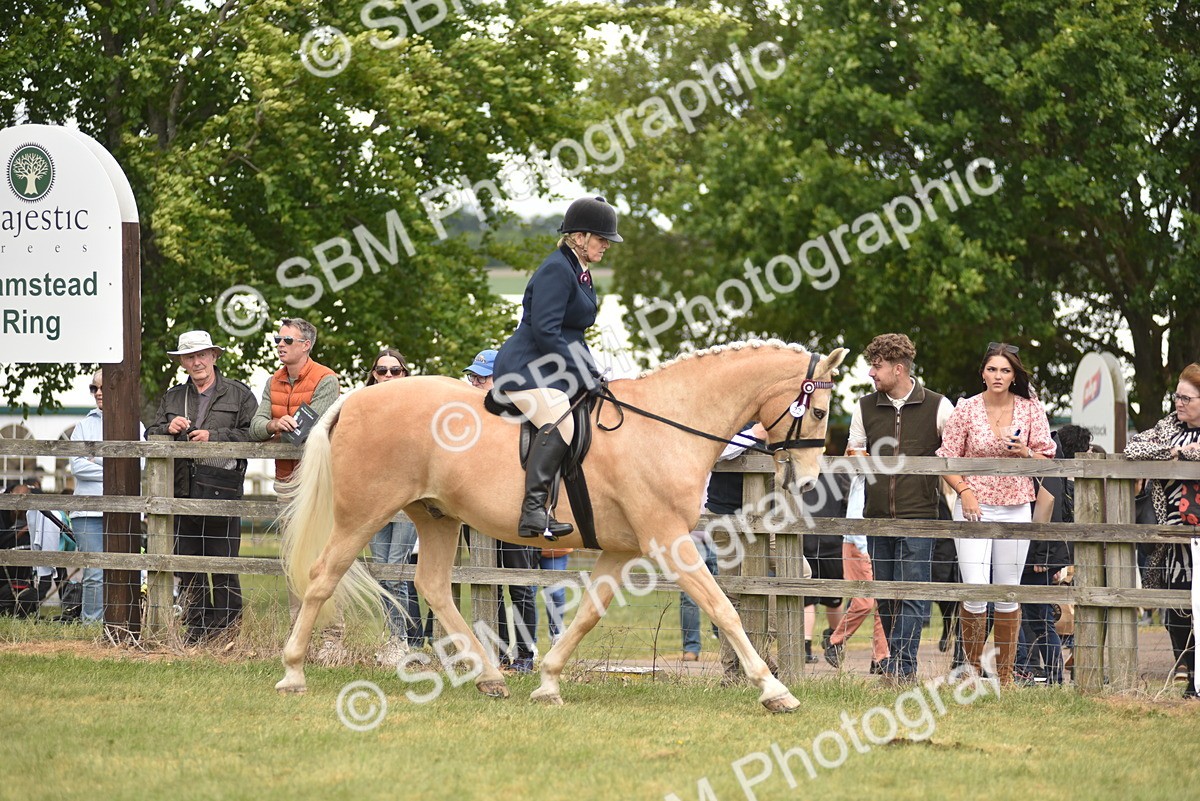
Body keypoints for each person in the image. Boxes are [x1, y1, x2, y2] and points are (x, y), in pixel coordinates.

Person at [491, 195, 619, 539]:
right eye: (601, 238)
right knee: (561, 421)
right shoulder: (556, 270)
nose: (606, 245)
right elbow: (547, 332)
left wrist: (592, 373)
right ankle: (533, 511)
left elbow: (572, 334)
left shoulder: (580, 272)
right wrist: (580, 374)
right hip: (526, 368)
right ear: (579, 237)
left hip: (551, 367)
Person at [938, 341, 1056, 685]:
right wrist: (964, 491)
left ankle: (1004, 676)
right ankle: (972, 673)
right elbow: (946, 458)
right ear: (983, 373)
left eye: (1005, 370)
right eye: (992, 369)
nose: (998, 375)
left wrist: (1026, 453)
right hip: (973, 506)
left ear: (1014, 375)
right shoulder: (966, 409)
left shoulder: (1031, 409)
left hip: (1016, 505)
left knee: (1008, 591)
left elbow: (1048, 457)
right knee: (975, 588)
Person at [850, 333, 954, 682]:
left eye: (877, 366)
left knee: (912, 594)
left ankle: (903, 667)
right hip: (877, 517)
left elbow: (954, 454)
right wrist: (862, 458)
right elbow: (855, 447)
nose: (871, 373)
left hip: (920, 517)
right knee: (885, 595)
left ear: (898, 369)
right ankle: (896, 661)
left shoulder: (939, 406)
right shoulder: (864, 406)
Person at [146, 331, 258, 643]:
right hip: (181, 491)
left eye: (202, 355)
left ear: (214, 356)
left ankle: (226, 633)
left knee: (223, 566)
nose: (197, 362)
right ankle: (196, 631)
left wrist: (214, 437)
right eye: (190, 357)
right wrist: (168, 429)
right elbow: (151, 432)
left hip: (223, 490)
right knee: (187, 566)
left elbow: (254, 435)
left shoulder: (239, 394)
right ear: (182, 362)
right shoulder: (173, 397)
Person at [1125, 363, 1200, 698]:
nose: (1179, 404)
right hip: (1172, 532)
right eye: (1177, 397)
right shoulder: (1168, 427)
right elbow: (1133, 448)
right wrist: (1175, 452)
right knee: (1177, 602)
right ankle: (1187, 669)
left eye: (1186, 398)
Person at [466, 348, 539, 672]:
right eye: (473, 377)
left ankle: (524, 655)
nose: (475, 382)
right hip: (477, 513)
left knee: (520, 585)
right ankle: (496, 653)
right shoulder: (467, 418)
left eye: (482, 378)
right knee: (487, 584)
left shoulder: (523, 415)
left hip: (514, 512)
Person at [1015, 424, 1090, 685]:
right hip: (1031, 548)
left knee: (1037, 617)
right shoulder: (1047, 451)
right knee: (1027, 615)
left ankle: (1044, 674)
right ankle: (1033, 671)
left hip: (1035, 551)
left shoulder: (1046, 454)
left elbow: (1050, 506)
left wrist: (1044, 554)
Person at [685, 423, 765, 665]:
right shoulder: (728, 417)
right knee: (730, 593)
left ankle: (758, 650)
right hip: (724, 514)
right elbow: (714, 450)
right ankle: (731, 669)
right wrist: (754, 435)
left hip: (763, 518)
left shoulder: (774, 418)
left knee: (797, 574)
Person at [364, 349, 421, 665]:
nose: (388, 375)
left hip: (406, 501)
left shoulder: (415, 409)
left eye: (395, 371)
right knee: (381, 573)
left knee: (396, 572)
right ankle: (395, 638)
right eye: (382, 370)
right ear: (373, 374)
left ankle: (401, 642)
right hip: (374, 501)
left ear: (404, 374)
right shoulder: (363, 408)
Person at [249, 318, 341, 483]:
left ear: (306, 345)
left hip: (316, 480)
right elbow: (254, 429)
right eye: (278, 339)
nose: (280, 344)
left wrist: (272, 434)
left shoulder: (326, 380)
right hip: (283, 480)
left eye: (288, 340)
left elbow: (304, 434)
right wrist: (275, 425)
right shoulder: (272, 381)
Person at [824, 474, 891, 672]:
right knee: (864, 602)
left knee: (883, 602)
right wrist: (863, 548)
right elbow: (855, 515)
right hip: (858, 545)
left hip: (875, 543)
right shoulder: (863, 479)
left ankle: (880, 657)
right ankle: (835, 641)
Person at [68, 370, 106, 623]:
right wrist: (114, 468)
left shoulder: (135, 425)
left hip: (125, 509)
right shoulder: (83, 425)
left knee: (125, 569)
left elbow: (139, 466)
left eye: (103, 387)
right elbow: (78, 467)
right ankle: (91, 625)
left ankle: (121, 622)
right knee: (94, 572)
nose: (98, 393)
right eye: (94, 388)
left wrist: (95, 460)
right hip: (87, 511)